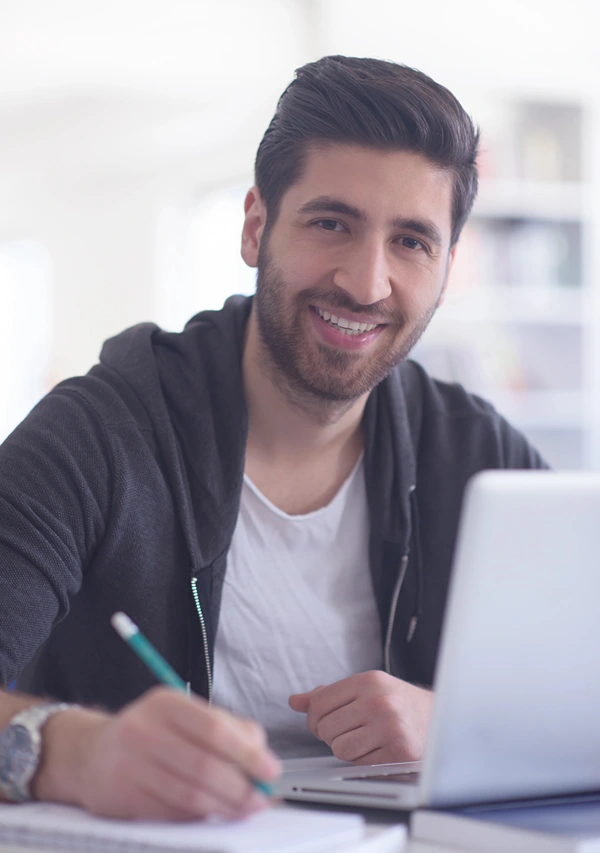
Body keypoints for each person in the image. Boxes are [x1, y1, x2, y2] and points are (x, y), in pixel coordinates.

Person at [0, 55, 546, 821]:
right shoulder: (100, 434)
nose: (365, 282)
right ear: (257, 225)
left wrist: (457, 723)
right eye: (332, 223)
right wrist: (77, 751)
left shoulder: (479, 458)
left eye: (411, 242)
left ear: (448, 266)